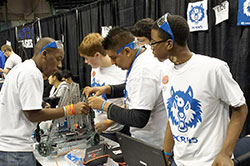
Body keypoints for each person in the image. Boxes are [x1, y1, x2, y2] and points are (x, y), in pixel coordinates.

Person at [150, 13, 248, 166]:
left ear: (169, 44)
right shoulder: (166, 70)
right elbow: (173, 114)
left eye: (153, 42)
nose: (151, 48)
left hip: (210, 162)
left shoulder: (213, 68)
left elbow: (240, 109)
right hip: (180, 161)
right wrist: (166, 152)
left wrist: (225, 154)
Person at [0, 37, 90, 166]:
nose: (59, 65)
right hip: (16, 151)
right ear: (44, 54)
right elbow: (33, 115)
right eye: (58, 59)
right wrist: (71, 109)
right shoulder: (32, 73)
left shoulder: (21, 68)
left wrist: (42, 106)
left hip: (9, 148)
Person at [85, 28, 167, 147]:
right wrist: (109, 89)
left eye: (114, 57)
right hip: (151, 139)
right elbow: (135, 88)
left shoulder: (142, 72)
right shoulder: (143, 54)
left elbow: (138, 119)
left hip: (153, 143)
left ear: (127, 51)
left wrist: (105, 106)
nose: (112, 63)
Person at [79, 33, 128, 142]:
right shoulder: (95, 69)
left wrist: (107, 123)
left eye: (87, 58)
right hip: (99, 128)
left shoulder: (121, 71)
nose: (86, 62)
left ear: (97, 55)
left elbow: (129, 106)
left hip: (117, 130)